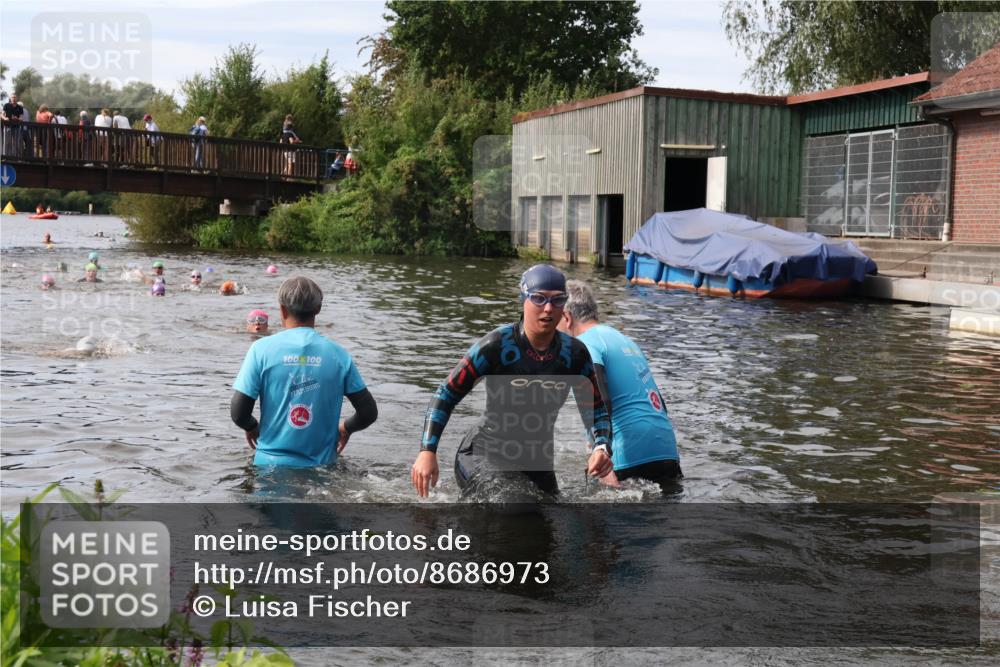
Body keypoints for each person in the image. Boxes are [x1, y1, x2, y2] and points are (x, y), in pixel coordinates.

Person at [410, 264, 612, 498]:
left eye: (557, 300)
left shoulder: (575, 354)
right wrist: (427, 451)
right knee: (514, 506)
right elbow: (445, 395)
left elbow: (597, 410)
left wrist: (601, 447)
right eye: (538, 299)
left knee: (551, 521)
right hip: (482, 454)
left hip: (537, 463)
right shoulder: (496, 345)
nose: (548, 308)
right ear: (523, 299)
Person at [230, 276, 378, 467]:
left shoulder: (260, 350)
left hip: (269, 466)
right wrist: (346, 428)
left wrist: (252, 427)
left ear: (282, 309)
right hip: (322, 466)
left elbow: (238, 412)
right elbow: (368, 413)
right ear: (318, 309)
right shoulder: (338, 355)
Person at [558, 280, 682, 492]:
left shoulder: (584, 344)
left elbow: (597, 397)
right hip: (667, 449)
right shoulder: (626, 341)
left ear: (567, 318)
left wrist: (603, 456)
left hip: (629, 453)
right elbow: (660, 405)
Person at [2, 93, 25, 158]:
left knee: (17, 143)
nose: (13, 99)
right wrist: (4, 118)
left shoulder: (20, 107)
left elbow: (21, 118)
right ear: (10, 98)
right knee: (6, 143)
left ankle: (18, 158)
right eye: (12, 97)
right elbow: (2, 114)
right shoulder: (6, 105)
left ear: (16, 98)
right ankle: (5, 157)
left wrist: (17, 118)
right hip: (7, 126)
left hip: (16, 127)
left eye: (14, 97)